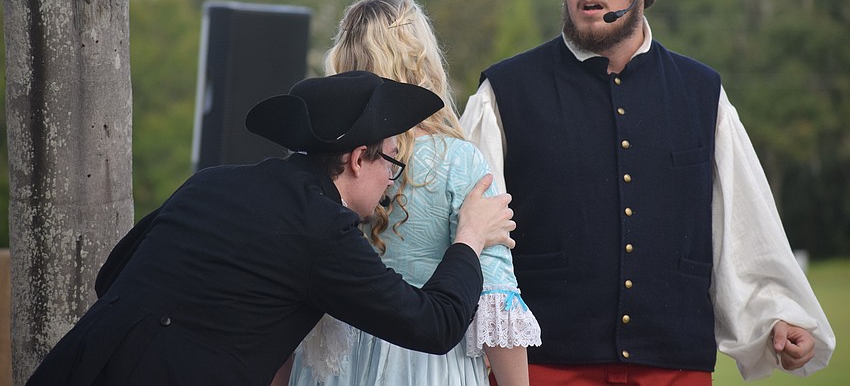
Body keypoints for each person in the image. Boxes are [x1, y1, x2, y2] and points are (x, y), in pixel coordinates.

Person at [460, 0, 835, 385]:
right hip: (544, 365)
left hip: (674, 365)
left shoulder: (702, 93)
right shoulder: (504, 92)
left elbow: (742, 225)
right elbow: (470, 234)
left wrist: (776, 316)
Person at [26, 70, 517, 386]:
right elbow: (432, 325)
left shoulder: (212, 182)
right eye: (391, 160)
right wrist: (469, 238)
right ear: (355, 159)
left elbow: (111, 275)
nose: (393, 178)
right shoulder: (321, 228)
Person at [287, 0, 541, 386]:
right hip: (427, 363)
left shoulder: (320, 158)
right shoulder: (458, 161)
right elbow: (496, 297)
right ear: (421, 58)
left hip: (332, 367)